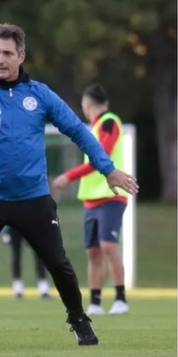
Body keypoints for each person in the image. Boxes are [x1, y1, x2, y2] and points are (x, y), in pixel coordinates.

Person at [0, 23, 139, 350]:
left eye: (7, 53)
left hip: (32, 198)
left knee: (58, 263)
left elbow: (80, 133)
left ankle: (79, 319)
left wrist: (107, 170)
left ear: (21, 56)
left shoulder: (39, 94)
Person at [52, 84, 129, 316]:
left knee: (108, 246)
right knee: (93, 251)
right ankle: (95, 301)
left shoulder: (109, 122)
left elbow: (100, 157)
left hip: (110, 196)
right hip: (91, 199)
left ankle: (120, 298)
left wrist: (68, 176)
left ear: (87, 105)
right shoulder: (93, 126)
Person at [1, 226, 51, 299]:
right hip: (15, 226)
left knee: (39, 255)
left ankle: (44, 289)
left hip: (32, 225)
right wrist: (5, 231)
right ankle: (18, 289)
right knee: (16, 256)